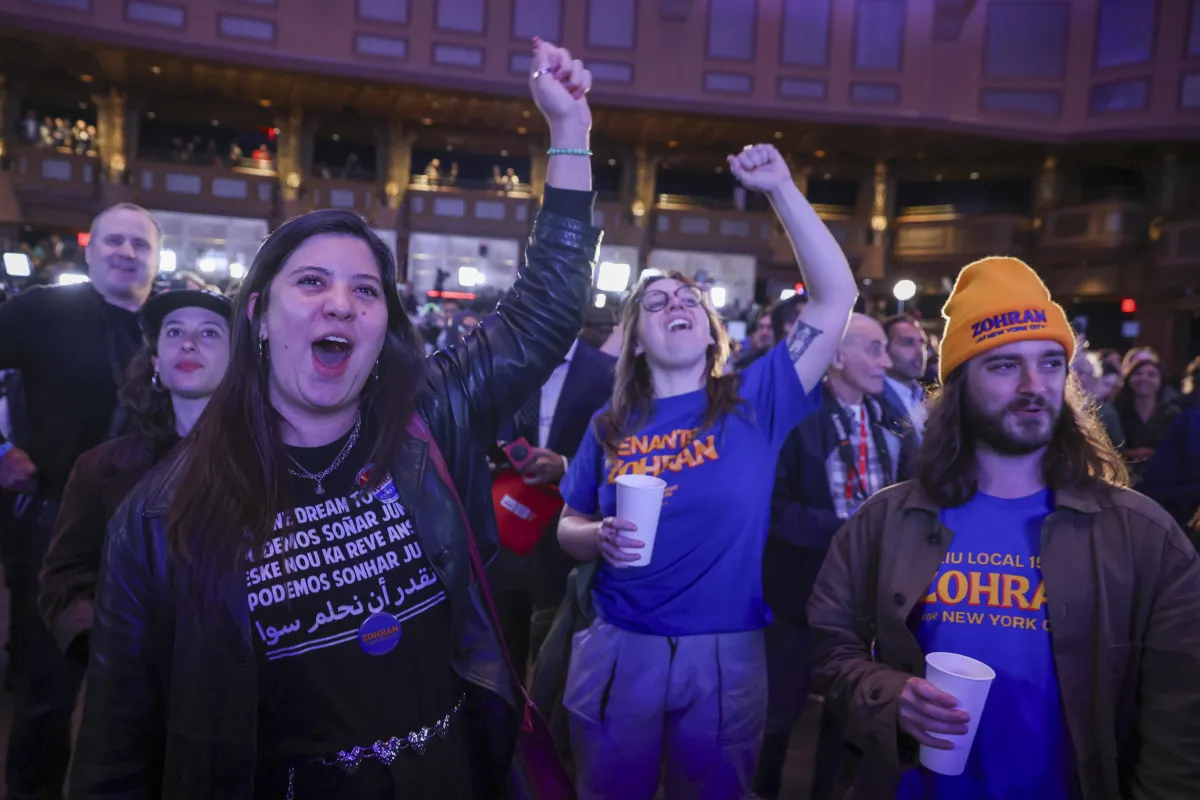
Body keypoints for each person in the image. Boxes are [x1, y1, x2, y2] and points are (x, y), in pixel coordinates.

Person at [70, 39, 599, 799]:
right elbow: (114, 757)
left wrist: (570, 134)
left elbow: (545, 309)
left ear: (385, 325)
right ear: (256, 314)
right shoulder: (159, 517)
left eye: (366, 290)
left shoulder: (429, 424)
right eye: (312, 281)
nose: (341, 303)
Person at [807, 256, 1200, 798]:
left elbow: (1178, 723)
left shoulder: (1143, 536)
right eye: (1004, 365)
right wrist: (888, 694)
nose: (1034, 385)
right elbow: (829, 648)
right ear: (961, 384)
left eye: (1049, 363)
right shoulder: (887, 519)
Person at [555, 142, 858, 799]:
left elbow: (836, 298)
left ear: (711, 324)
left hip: (725, 650)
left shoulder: (755, 400)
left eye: (687, 297)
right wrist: (592, 537)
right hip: (619, 644)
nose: (676, 305)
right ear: (635, 337)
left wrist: (781, 189)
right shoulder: (608, 427)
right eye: (657, 302)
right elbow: (568, 519)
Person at [0, 202, 160, 800]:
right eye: (114, 241)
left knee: (146, 692)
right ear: (91, 250)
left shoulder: (170, 325)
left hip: (152, 537)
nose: (126, 253)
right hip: (58, 529)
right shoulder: (44, 310)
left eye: (139, 244)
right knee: (48, 692)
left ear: (156, 257)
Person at [754, 314, 918, 800]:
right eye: (874, 349)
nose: (886, 361)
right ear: (836, 357)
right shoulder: (795, 418)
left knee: (847, 722)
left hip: (868, 598)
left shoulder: (890, 414)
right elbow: (771, 509)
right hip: (798, 595)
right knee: (776, 719)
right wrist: (849, 532)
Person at [40, 289, 233, 668]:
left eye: (209, 333)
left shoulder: (273, 461)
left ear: (237, 361)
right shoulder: (100, 468)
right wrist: (108, 648)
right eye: (174, 332)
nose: (189, 344)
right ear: (156, 361)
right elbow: (63, 580)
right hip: (133, 692)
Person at [491, 335, 617, 675]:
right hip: (504, 522)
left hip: (564, 529)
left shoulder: (608, 372)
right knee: (501, 649)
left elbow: (617, 453)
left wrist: (564, 464)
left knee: (553, 654)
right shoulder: (505, 362)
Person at [1114, 352, 1179, 470]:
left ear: (1161, 381)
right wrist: (1131, 453)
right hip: (1123, 471)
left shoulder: (1171, 413)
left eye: (1151, 375)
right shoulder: (1117, 411)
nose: (1144, 378)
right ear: (1129, 379)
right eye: (1138, 374)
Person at [880, 314, 929, 441]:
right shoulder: (874, 401)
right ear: (885, 349)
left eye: (922, 343)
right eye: (908, 343)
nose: (920, 351)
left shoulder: (924, 396)